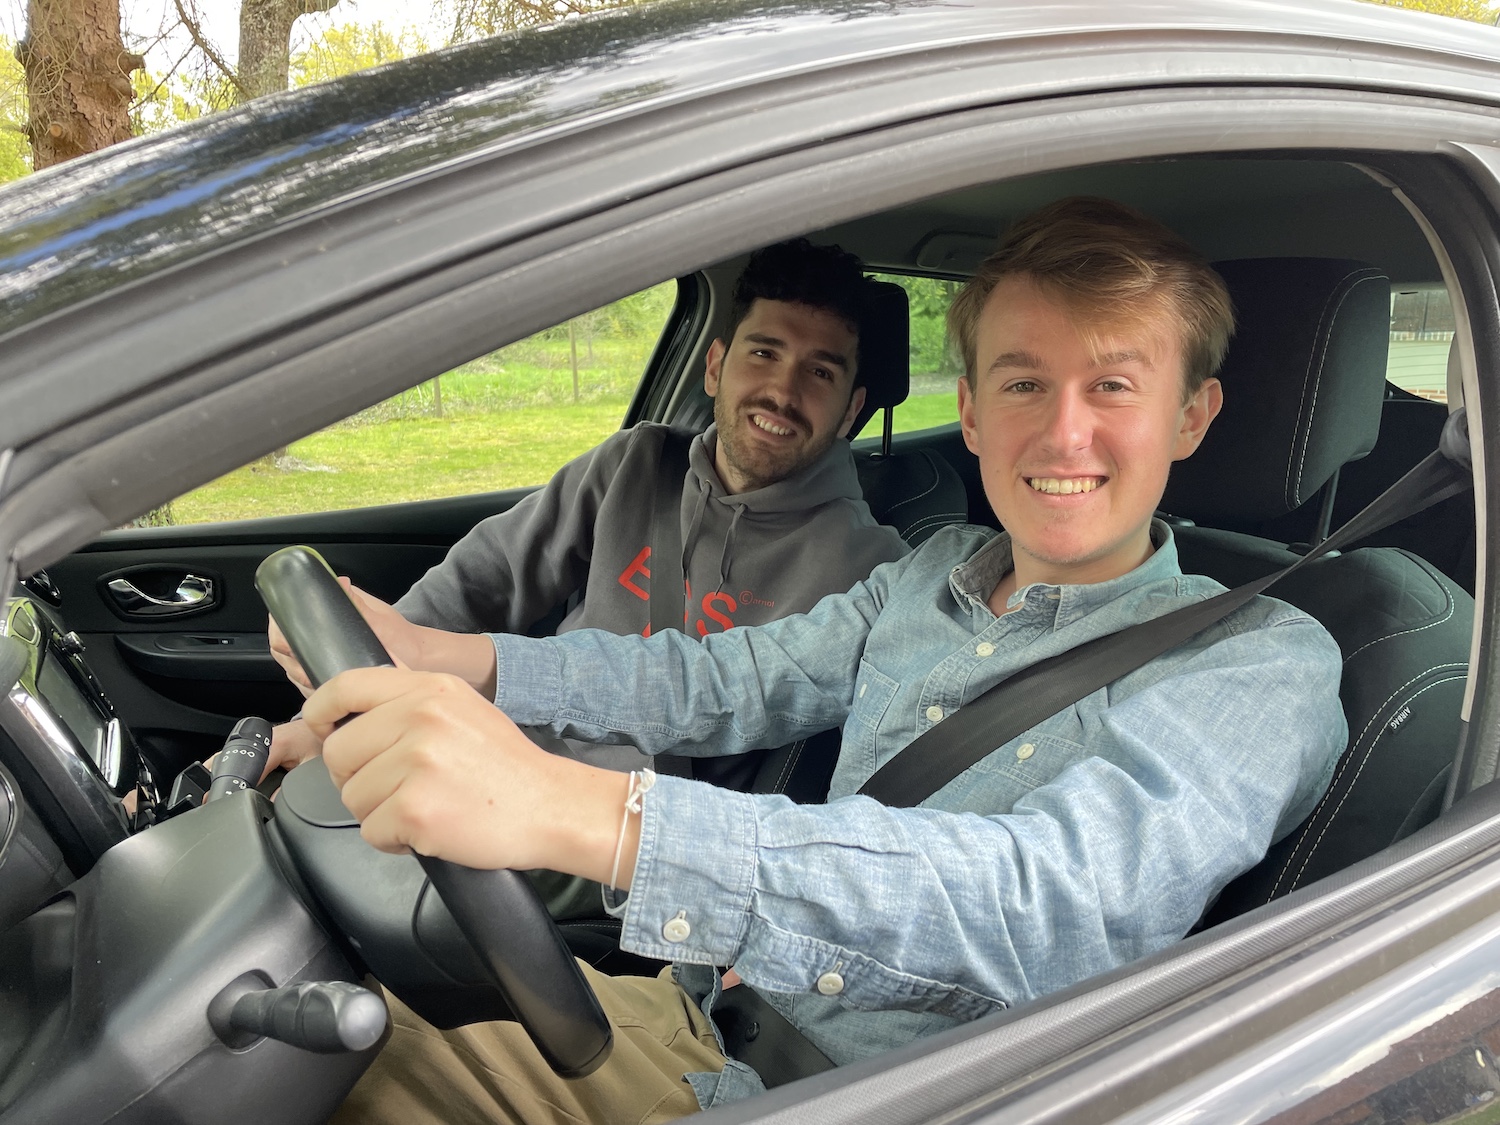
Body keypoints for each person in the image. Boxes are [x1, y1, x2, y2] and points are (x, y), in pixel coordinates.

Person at [286, 197, 1348, 1124]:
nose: (1065, 434)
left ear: (1190, 416)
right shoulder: (928, 574)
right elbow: (717, 681)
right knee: (314, 1045)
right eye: (1025, 383)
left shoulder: (1259, 660)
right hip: (705, 1017)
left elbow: (1052, 906)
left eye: (1112, 386)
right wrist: (453, 658)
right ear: (971, 414)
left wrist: (583, 813)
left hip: (871, 1097)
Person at [267, 237, 909, 785]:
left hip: (627, 843)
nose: (782, 391)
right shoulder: (637, 465)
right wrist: (334, 717)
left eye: (820, 373)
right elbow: (482, 579)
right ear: (715, 366)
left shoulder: (872, 572)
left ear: (851, 410)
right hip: (481, 758)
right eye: (763, 353)